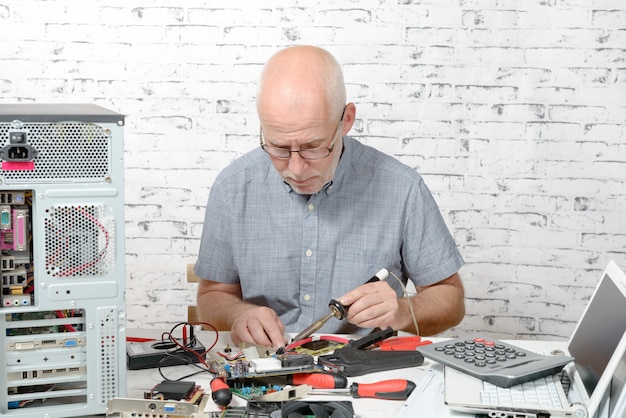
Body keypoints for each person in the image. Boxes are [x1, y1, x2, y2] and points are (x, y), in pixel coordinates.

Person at [195, 45, 465, 350]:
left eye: (313, 147)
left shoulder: (402, 187)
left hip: (364, 368)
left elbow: (451, 300)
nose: (296, 169)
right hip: (264, 369)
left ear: (346, 120)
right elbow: (211, 296)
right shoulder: (232, 187)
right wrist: (238, 314)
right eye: (279, 147)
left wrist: (404, 311)